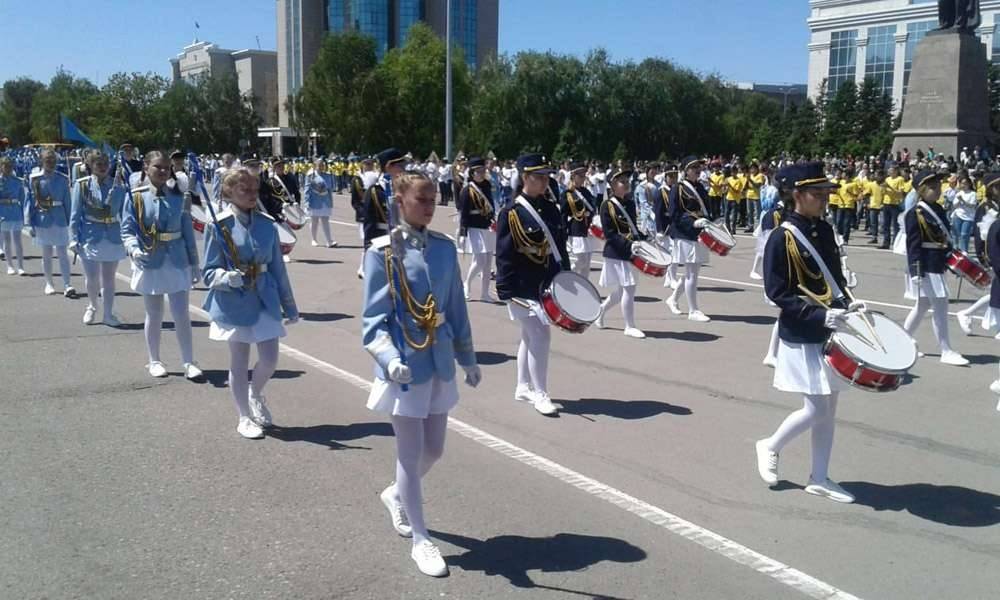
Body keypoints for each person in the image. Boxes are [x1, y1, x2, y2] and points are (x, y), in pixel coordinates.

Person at [362, 170, 480, 578]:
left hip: (440, 359)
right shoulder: (382, 253)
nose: (429, 207)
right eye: (421, 200)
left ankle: (395, 495)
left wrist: (468, 356)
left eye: (432, 200)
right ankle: (421, 540)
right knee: (410, 457)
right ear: (400, 201)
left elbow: (456, 308)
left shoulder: (445, 249)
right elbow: (373, 322)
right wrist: (388, 359)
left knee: (435, 450)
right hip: (405, 366)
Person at [754, 161, 860, 504]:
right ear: (796, 195)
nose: (824, 199)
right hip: (803, 330)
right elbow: (777, 292)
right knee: (815, 408)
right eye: (817, 193)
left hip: (831, 326)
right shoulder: (782, 237)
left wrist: (847, 303)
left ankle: (819, 477)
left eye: (826, 192)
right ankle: (770, 444)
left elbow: (833, 277)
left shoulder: (824, 230)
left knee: (830, 406)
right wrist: (818, 315)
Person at [202, 168, 299, 439]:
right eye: (244, 190)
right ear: (229, 192)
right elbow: (208, 270)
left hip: (264, 297)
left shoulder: (268, 224)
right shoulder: (218, 225)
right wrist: (225, 277)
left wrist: (289, 306)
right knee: (239, 362)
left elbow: (279, 268)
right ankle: (243, 416)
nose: (251, 195)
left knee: (269, 359)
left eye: (255, 190)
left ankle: (254, 393)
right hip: (233, 301)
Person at [496, 154, 570, 416]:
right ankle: (540, 393)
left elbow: (559, 246)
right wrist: (504, 290)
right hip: (521, 286)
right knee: (540, 335)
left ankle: (523, 386)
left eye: (547, 176)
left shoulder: (551, 208)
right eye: (539, 176)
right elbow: (504, 255)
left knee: (529, 336)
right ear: (525, 177)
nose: (545, 181)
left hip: (547, 283)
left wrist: (567, 277)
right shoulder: (511, 212)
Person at [121, 150, 204, 380]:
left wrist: (194, 262)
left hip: (176, 259)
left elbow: (187, 230)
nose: (163, 171)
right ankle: (154, 360)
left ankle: (189, 361)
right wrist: (133, 249)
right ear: (146, 167)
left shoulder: (178, 196)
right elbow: (127, 230)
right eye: (157, 167)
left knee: (181, 314)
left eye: (166, 167)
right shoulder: (136, 196)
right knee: (154, 314)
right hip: (150, 259)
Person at [903, 169, 969, 366]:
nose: (937, 190)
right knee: (940, 306)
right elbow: (913, 245)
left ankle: (903, 339)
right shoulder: (915, 213)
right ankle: (945, 350)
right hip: (925, 265)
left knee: (923, 305)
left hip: (937, 262)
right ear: (921, 190)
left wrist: (955, 260)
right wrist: (916, 271)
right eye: (932, 187)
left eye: (939, 186)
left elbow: (944, 238)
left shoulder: (938, 209)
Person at [69, 151, 127, 326]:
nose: (103, 167)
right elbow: (75, 215)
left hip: (113, 235)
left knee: (109, 278)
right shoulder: (83, 185)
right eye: (98, 164)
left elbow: (124, 214)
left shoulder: (118, 186)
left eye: (105, 164)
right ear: (91, 166)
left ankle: (108, 313)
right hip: (90, 235)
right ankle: (92, 306)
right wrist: (73, 238)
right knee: (92, 277)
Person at [595, 168, 646, 339]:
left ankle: (600, 310)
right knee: (629, 289)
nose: (626, 183)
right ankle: (629, 326)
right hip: (617, 252)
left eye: (627, 180)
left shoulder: (630, 203)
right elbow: (610, 234)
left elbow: (632, 228)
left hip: (630, 250)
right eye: (622, 181)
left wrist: (644, 238)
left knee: (620, 292)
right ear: (612, 185)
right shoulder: (606, 205)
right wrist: (628, 245)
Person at [665, 156, 712, 323]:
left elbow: (706, 208)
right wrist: (693, 222)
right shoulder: (677, 188)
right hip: (685, 234)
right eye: (694, 167)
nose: (698, 170)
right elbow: (674, 214)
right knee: (692, 273)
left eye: (699, 167)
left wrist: (712, 221)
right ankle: (693, 310)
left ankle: (672, 299)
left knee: (693, 272)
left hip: (699, 233)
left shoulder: (700, 187)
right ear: (685, 170)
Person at [25, 149, 76, 297]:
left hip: (59, 218)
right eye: (48, 160)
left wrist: (71, 222)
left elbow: (68, 201)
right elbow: (30, 201)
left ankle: (67, 284)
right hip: (42, 218)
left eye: (53, 160)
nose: (51, 163)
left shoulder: (62, 178)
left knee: (62, 253)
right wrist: (29, 222)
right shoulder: (34, 178)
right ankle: (49, 283)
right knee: (46, 253)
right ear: (41, 161)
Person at [956, 173, 1000, 336]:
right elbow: (981, 233)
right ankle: (994, 326)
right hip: (993, 253)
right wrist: (984, 256)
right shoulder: (985, 207)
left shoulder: (997, 205)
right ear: (990, 189)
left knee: (996, 291)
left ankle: (968, 313)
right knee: (997, 290)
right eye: (997, 186)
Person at [459, 157, 498, 302]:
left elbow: (491, 205)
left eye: (483, 170)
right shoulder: (467, 190)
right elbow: (463, 213)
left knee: (488, 262)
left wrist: (494, 220)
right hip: (474, 227)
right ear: (472, 173)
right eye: (478, 171)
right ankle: (466, 284)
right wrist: (463, 232)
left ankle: (484, 293)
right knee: (480, 260)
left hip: (487, 226)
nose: (481, 174)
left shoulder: (487, 185)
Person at [560, 162, 600, 278]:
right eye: (580, 175)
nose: (583, 178)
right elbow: (563, 215)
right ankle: (566, 277)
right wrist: (564, 232)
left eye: (584, 175)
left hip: (588, 229)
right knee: (580, 260)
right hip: (576, 229)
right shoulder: (567, 194)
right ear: (573, 176)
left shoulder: (586, 192)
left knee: (586, 264)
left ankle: (584, 290)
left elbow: (593, 208)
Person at [0, 157, 26, 275]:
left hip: (15, 211)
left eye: (10, 166)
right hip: (3, 212)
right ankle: (10, 265)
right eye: (6, 166)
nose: (9, 169)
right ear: (1, 167)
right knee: (7, 240)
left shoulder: (17, 181)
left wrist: (24, 214)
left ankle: (20, 266)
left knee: (18, 240)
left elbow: (22, 198)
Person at [303, 159, 337, 247]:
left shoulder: (328, 175)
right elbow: (307, 190)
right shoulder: (310, 176)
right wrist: (306, 202)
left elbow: (331, 189)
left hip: (325, 201)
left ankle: (329, 241)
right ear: (315, 166)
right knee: (314, 221)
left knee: (325, 221)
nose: (322, 167)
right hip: (314, 201)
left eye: (323, 165)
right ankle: (314, 239)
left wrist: (330, 201)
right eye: (319, 165)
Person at [950, 176, 977, 253]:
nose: (963, 185)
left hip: (968, 217)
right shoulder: (959, 193)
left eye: (965, 184)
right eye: (962, 184)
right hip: (958, 215)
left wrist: (963, 201)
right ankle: (956, 250)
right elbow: (954, 205)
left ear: (969, 184)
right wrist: (958, 201)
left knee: (964, 235)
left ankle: (964, 251)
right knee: (956, 235)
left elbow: (972, 205)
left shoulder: (973, 194)